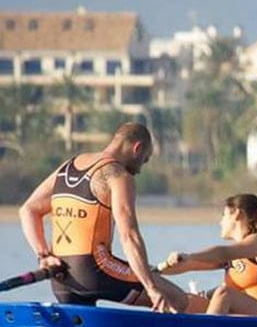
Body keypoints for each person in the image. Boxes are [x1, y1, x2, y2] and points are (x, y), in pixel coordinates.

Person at [18, 122, 186, 311]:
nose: (139, 170)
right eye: (144, 160)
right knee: (176, 299)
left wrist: (43, 256)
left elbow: (29, 210)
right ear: (137, 148)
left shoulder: (69, 166)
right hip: (95, 270)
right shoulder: (118, 175)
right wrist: (151, 288)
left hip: (61, 277)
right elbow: (129, 236)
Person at [160, 194, 257, 316]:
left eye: (224, 215)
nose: (220, 222)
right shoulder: (232, 257)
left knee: (224, 293)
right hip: (248, 318)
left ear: (237, 214)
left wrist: (190, 255)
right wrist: (148, 273)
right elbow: (186, 266)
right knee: (187, 299)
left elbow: (224, 252)